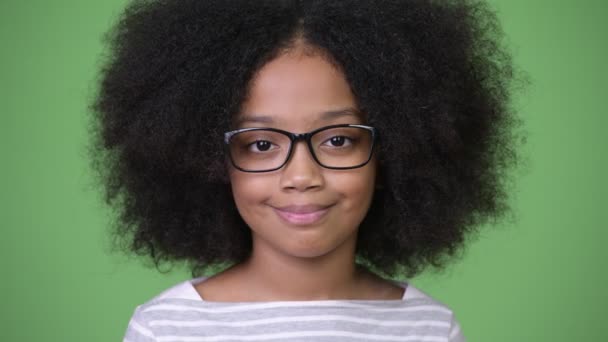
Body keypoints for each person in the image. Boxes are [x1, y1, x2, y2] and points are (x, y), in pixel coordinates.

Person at [90, 0, 520, 341]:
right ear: (205, 160)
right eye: (260, 144)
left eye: (337, 140)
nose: (301, 176)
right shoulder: (168, 329)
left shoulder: (428, 329)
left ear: (396, 149)